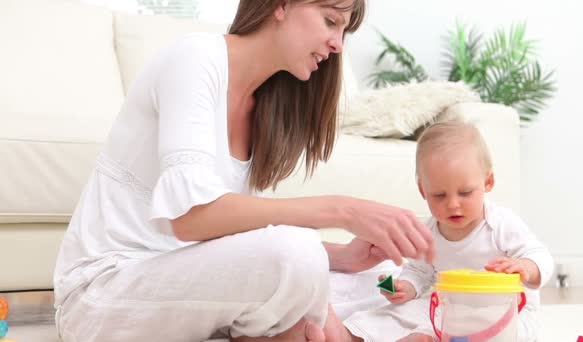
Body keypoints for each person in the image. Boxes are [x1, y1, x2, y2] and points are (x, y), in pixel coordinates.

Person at [52, 1, 436, 341]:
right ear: (281, 5)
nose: (338, 44)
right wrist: (343, 210)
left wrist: (342, 257)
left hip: (183, 286)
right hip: (104, 296)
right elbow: (191, 218)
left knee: (385, 277)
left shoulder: (265, 104)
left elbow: (233, 242)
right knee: (297, 258)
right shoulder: (197, 58)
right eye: (330, 20)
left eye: (343, 30)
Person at [339, 121, 554, 342]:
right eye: (439, 195)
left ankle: (427, 335)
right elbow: (420, 272)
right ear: (423, 190)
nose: (452, 204)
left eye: (465, 193)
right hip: (446, 303)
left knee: (502, 333)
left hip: (503, 308)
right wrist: (406, 287)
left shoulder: (502, 224)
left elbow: (541, 257)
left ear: (488, 182)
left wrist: (526, 267)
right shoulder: (428, 231)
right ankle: (352, 335)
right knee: (393, 314)